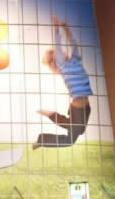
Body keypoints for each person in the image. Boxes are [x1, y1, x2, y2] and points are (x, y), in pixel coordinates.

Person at [34, 15, 92, 149]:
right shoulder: (63, 67)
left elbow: (74, 44)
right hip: (78, 109)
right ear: (56, 60)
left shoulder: (75, 59)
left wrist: (67, 29)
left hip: (85, 108)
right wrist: (56, 27)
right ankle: (42, 137)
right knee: (70, 139)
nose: (61, 53)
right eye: (57, 54)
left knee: (77, 130)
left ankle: (50, 116)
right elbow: (58, 43)